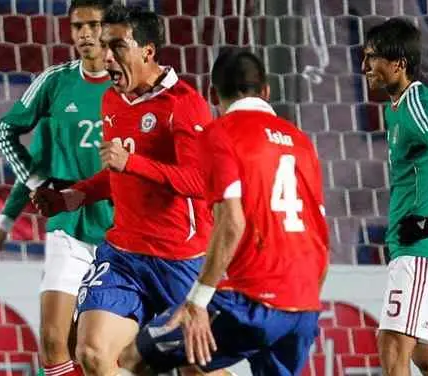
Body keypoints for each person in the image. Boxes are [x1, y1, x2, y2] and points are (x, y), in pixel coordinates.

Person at [116, 50, 329, 376]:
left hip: (252, 302)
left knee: (135, 357)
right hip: (304, 307)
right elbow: (320, 236)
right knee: (195, 365)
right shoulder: (302, 142)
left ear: (213, 95)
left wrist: (198, 301)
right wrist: (307, 301)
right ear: (267, 91)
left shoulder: (222, 132)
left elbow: (232, 222)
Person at [31, 5, 214, 376]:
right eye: (104, 46)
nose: (106, 57)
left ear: (147, 51)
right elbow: (116, 174)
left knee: (197, 370)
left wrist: (133, 164)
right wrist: (74, 196)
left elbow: (200, 182)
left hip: (179, 260)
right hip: (124, 256)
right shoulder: (113, 100)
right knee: (93, 353)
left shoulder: (184, 104)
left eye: (117, 47)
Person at [0, 1, 114, 374]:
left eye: (94, 25)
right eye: (77, 26)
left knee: (101, 348)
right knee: (55, 341)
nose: (85, 33)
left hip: (118, 228)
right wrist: (6, 219)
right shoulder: (56, 83)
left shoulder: (127, 88)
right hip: (68, 228)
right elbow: (28, 153)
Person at [360, 18, 428, 376]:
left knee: (393, 342)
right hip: (419, 250)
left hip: (423, 249)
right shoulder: (398, 107)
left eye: (372, 58)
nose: (364, 67)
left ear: (398, 62)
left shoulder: (417, 102)